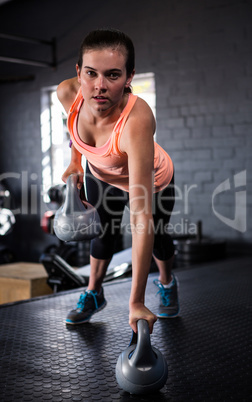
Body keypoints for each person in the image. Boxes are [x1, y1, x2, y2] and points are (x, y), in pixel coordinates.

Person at [57, 28, 179, 334]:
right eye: (91, 74)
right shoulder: (68, 93)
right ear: (79, 73)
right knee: (103, 233)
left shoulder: (136, 121)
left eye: (112, 75)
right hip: (101, 173)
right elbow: (73, 133)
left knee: (157, 236)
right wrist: (75, 163)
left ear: (129, 77)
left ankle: (166, 283)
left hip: (152, 180)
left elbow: (140, 216)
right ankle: (94, 293)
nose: (99, 87)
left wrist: (136, 302)